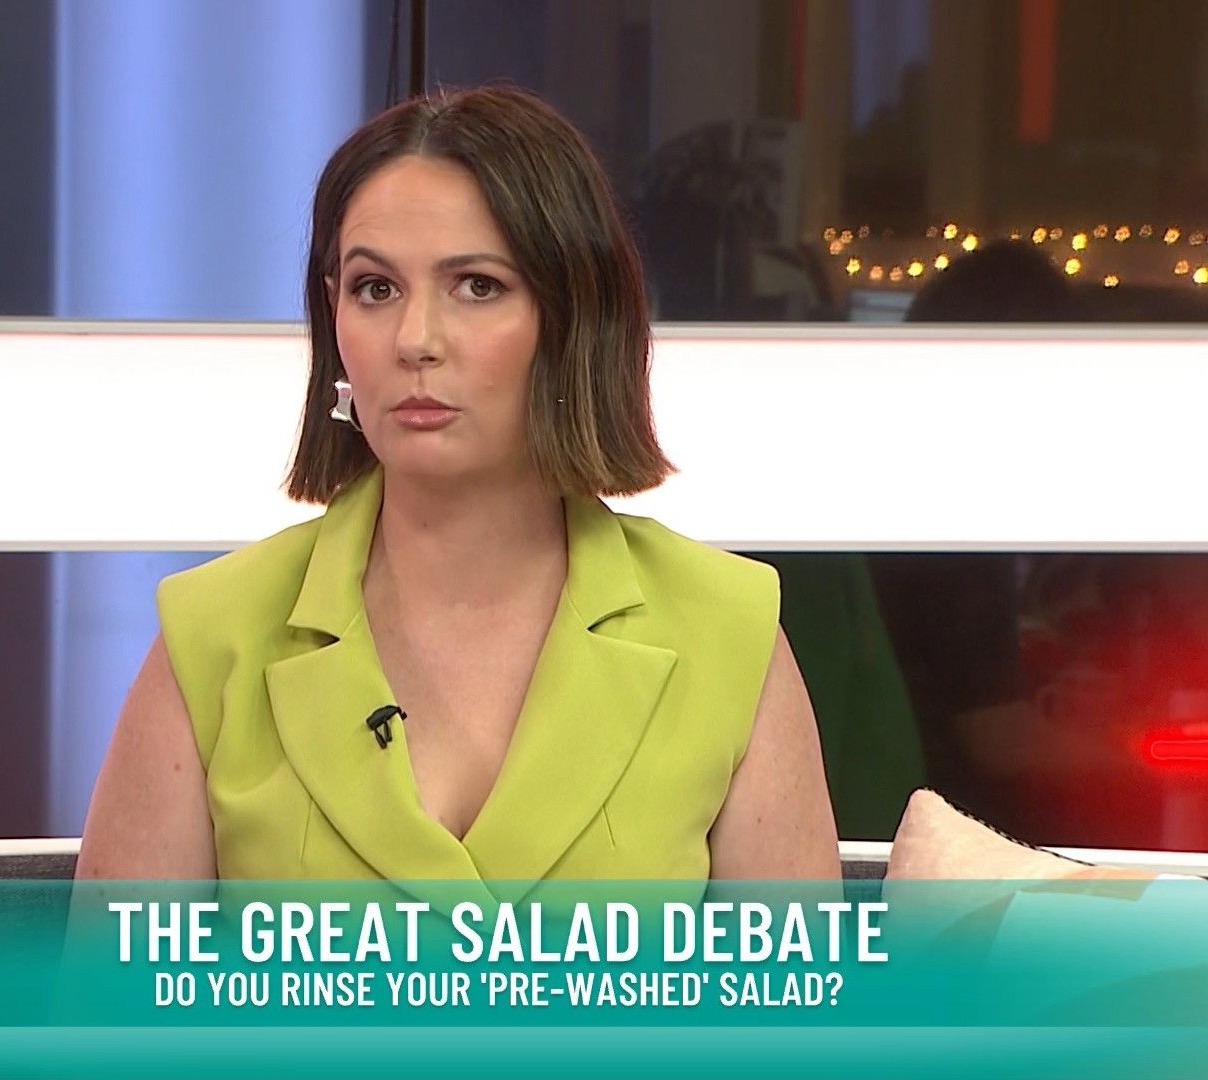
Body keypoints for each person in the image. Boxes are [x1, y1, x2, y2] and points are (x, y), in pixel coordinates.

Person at [76, 85, 839, 885]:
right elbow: (117, 973)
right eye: (375, 289)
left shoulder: (727, 633)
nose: (415, 340)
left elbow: (788, 973)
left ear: (572, 318)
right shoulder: (213, 636)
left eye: (477, 286)